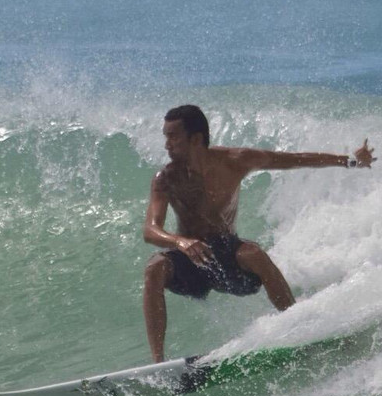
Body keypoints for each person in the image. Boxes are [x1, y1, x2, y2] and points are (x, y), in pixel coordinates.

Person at [143, 104, 374, 362]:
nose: (166, 144)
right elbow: (150, 230)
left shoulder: (235, 160)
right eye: (165, 136)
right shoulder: (165, 178)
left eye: (173, 136)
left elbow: (294, 160)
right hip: (191, 261)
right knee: (155, 268)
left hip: (227, 257)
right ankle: (158, 364)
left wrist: (351, 161)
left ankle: (299, 328)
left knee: (254, 254)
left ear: (196, 139)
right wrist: (180, 242)